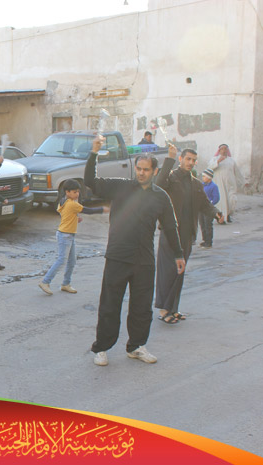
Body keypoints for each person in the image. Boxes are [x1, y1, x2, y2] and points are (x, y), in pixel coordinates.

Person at [84, 137, 185, 366]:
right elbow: (90, 181)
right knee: (110, 305)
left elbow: (170, 227)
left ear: (154, 171)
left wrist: (178, 254)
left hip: (143, 259)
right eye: (138, 168)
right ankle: (102, 348)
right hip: (118, 256)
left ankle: (136, 346)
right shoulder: (121, 186)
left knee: (142, 307)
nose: (141, 173)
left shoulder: (161, 196)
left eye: (146, 170)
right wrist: (94, 153)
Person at [154, 146, 223, 324]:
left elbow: (205, 205)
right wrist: (169, 159)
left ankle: (173, 309)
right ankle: (164, 310)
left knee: (179, 271)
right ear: (181, 159)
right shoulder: (171, 178)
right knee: (167, 271)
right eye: (188, 159)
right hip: (170, 233)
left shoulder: (196, 184)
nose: (190, 162)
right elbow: (158, 184)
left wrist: (216, 213)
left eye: (193, 160)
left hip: (187, 234)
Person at [38, 179, 108, 295]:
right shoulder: (72, 204)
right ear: (67, 192)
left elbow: (64, 213)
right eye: (75, 192)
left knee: (71, 261)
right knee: (62, 260)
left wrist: (74, 218)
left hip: (67, 234)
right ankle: (45, 282)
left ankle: (66, 284)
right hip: (65, 235)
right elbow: (88, 210)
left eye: (78, 192)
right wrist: (102, 209)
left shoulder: (63, 201)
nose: (77, 194)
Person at [207, 144, 245, 223]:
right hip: (219, 185)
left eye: (225, 149)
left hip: (230, 185)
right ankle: (221, 217)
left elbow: (237, 172)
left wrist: (244, 182)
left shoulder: (231, 161)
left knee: (232, 200)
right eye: (222, 149)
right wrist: (218, 161)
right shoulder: (214, 159)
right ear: (219, 150)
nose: (224, 150)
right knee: (221, 202)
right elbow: (209, 168)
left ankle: (228, 214)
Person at [198, 168, 220, 249]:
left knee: (208, 225)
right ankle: (205, 240)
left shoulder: (213, 186)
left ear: (209, 177)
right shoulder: (202, 185)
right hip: (201, 208)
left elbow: (216, 198)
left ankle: (209, 242)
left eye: (204, 176)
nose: (203, 178)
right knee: (202, 224)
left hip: (208, 209)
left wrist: (210, 204)